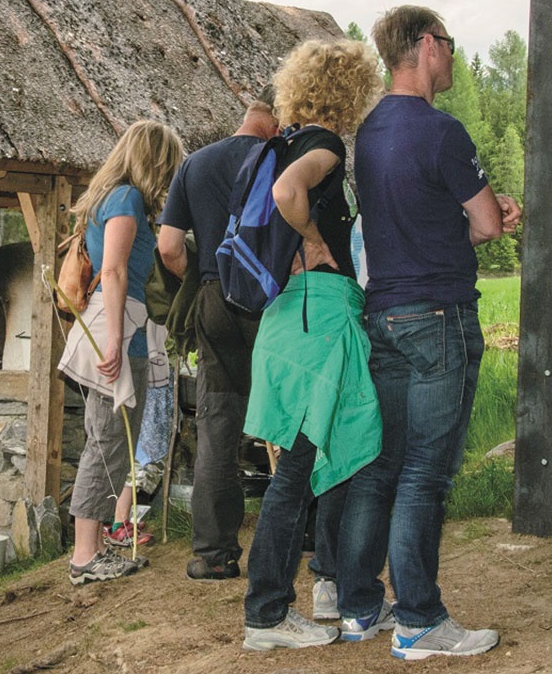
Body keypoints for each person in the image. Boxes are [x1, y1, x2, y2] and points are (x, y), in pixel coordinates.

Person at [340, 5, 521, 660]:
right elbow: (487, 228)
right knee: (425, 473)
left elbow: (409, 216)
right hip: (436, 316)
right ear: (424, 45)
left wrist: (463, 217)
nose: (452, 53)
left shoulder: (368, 132)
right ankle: (419, 620)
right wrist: (494, 212)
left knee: (382, 462)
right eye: (447, 42)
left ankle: (360, 606)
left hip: (382, 314)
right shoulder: (443, 132)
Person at [241, 38, 385, 652]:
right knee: (298, 471)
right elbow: (285, 196)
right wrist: (315, 241)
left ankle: (326, 586)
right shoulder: (322, 145)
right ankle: (267, 614)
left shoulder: (286, 141)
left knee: (330, 457)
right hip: (315, 322)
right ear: (351, 89)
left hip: (291, 320)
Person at [57, 120, 185, 584]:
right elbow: (112, 272)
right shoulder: (127, 199)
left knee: (108, 443)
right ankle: (85, 556)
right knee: (109, 444)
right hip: (120, 331)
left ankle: (95, 547)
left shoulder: (109, 199)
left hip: (120, 329)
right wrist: (114, 340)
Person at [156, 95, 278, 581]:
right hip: (271, 300)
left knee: (218, 424)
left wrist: (204, 276)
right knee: (291, 416)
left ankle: (213, 553)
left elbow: (168, 247)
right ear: (274, 121)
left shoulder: (194, 164)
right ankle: (308, 535)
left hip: (212, 297)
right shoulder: (279, 158)